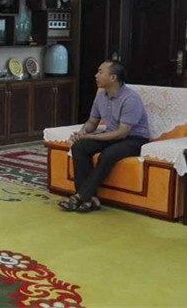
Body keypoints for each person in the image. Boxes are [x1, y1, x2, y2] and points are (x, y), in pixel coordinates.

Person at [59, 60, 150, 213]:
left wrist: (91, 137)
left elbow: (122, 133)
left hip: (134, 139)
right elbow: (92, 122)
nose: (96, 75)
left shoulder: (130, 99)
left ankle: (80, 196)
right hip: (111, 135)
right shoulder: (101, 95)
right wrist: (82, 133)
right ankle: (90, 199)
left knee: (108, 154)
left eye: (100, 72)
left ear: (113, 78)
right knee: (79, 147)